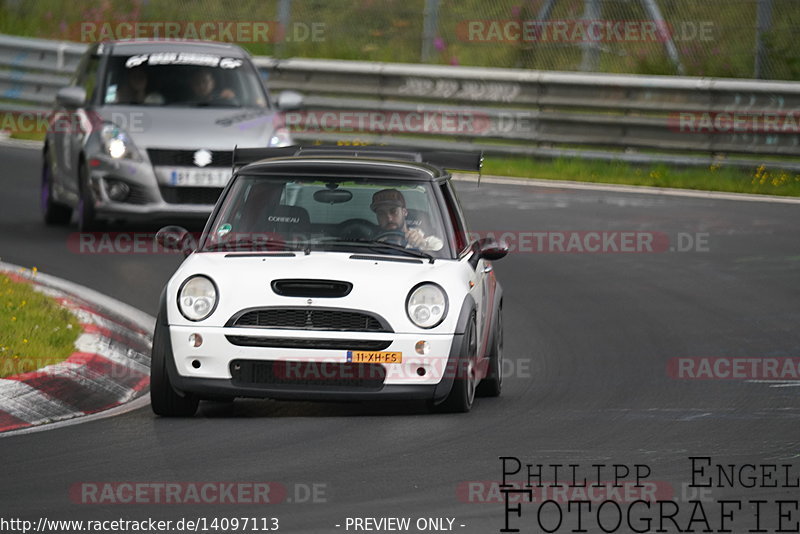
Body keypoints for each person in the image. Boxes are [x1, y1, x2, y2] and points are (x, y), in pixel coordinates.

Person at [370, 188, 443, 251]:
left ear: (404, 212)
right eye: (381, 213)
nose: (389, 218)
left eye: (394, 212)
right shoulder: (369, 240)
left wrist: (422, 244)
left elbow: (440, 254)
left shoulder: (425, 239)